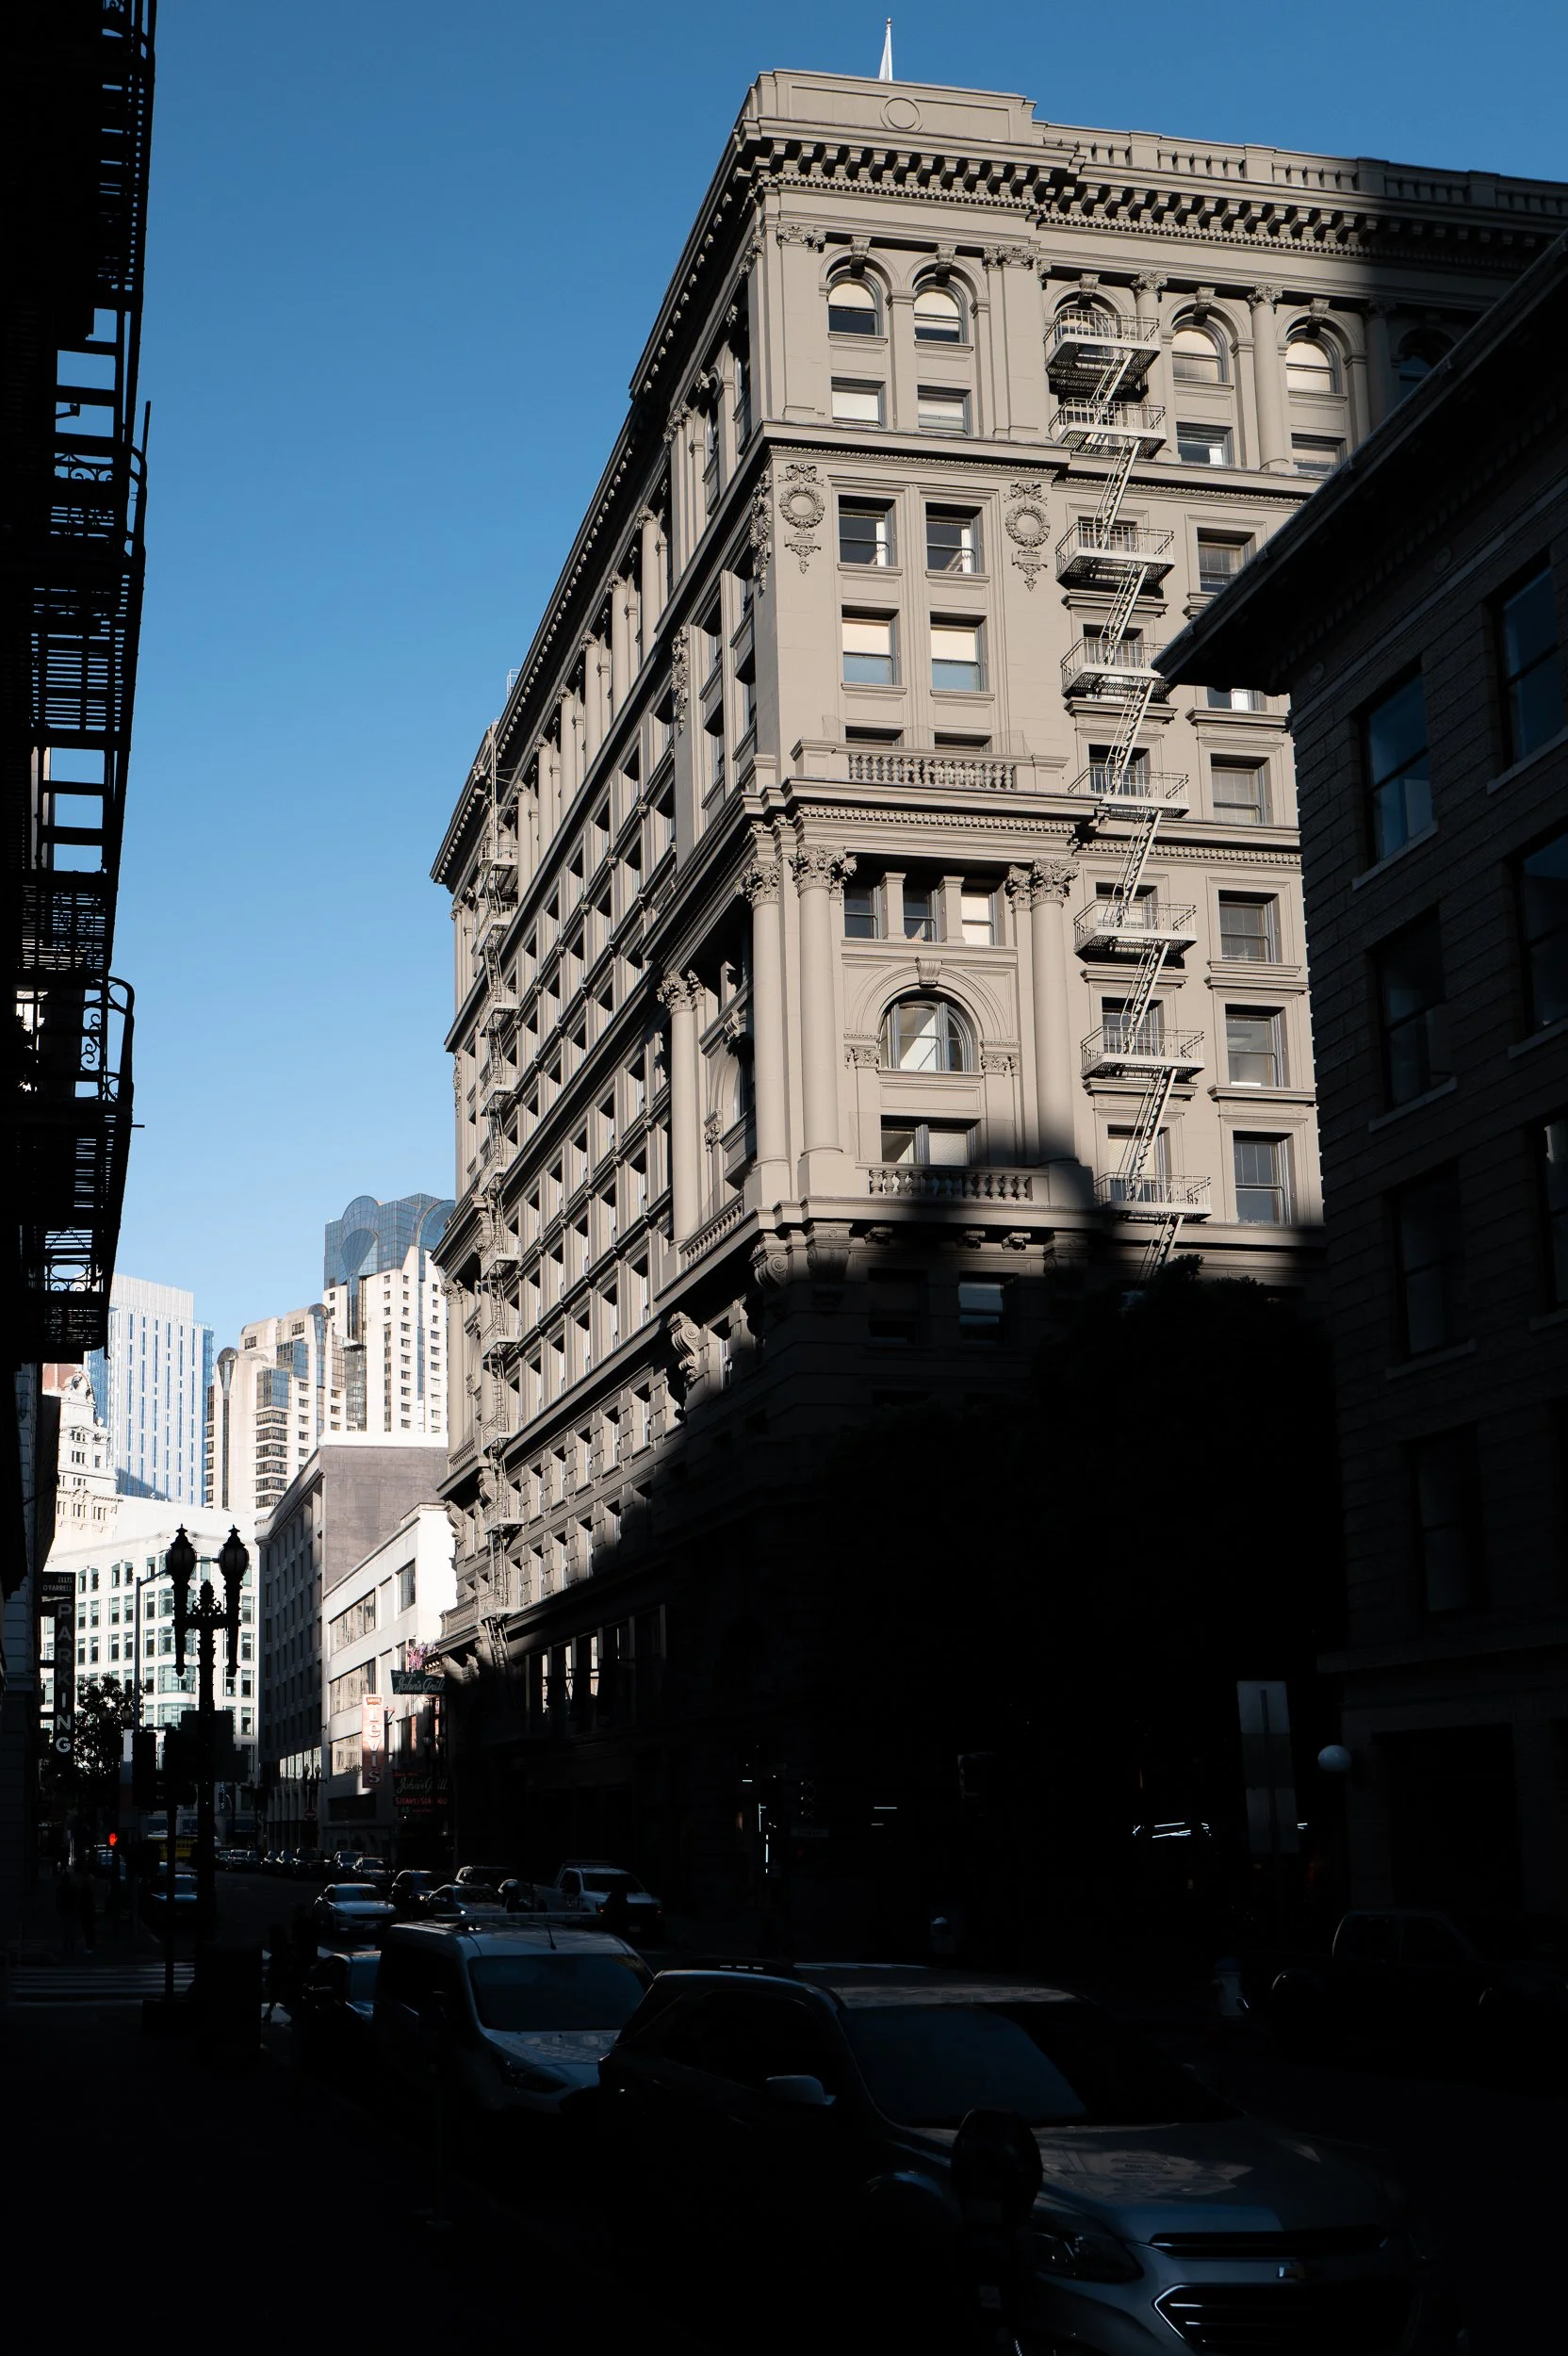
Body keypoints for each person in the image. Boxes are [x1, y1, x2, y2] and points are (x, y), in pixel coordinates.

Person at [55, 1867, 77, 1957]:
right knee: (69, 1929)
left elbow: (58, 1900)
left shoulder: (62, 1889)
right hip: (69, 1910)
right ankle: (69, 1945)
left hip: (67, 1910)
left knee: (67, 1929)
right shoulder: (71, 1888)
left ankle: (67, 1945)